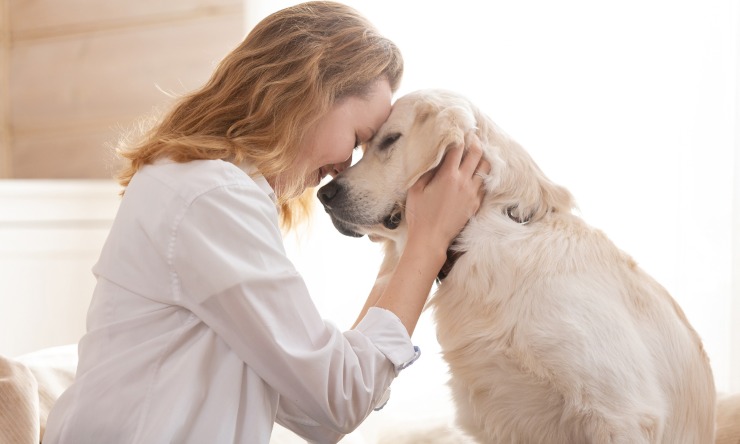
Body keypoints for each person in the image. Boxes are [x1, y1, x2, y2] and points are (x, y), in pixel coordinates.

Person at [43, 2, 487, 443]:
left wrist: (406, 249)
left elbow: (318, 414)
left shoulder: (202, 186)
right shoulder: (211, 196)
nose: (344, 168)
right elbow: (339, 398)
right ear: (310, 93)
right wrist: (427, 245)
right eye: (357, 139)